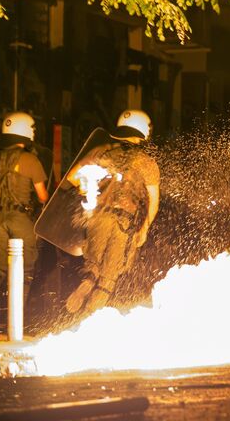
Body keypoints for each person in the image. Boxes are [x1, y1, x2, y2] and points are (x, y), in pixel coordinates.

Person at [64, 109, 160, 318]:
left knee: (93, 265)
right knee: (109, 277)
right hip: (123, 224)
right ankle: (87, 319)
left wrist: (87, 187)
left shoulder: (102, 151)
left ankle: (87, 281)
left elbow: (72, 177)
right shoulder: (146, 162)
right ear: (143, 131)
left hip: (98, 218)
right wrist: (144, 228)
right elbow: (153, 201)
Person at [0, 111, 49, 316]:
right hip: (20, 220)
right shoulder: (30, 160)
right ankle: (15, 318)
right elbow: (43, 196)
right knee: (24, 270)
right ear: (27, 131)